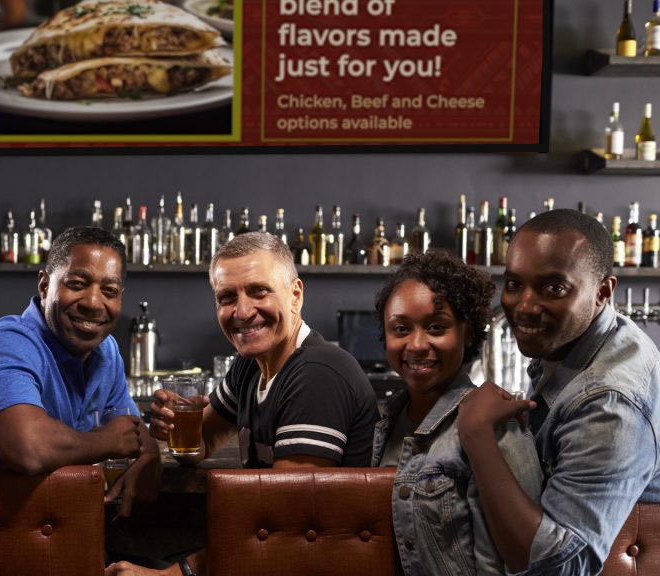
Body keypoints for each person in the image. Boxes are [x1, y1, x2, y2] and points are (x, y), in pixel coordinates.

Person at [111, 231, 379, 576]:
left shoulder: (317, 373)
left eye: (258, 291)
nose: (242, 311)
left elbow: (283, 521)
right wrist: (177, 432)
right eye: (227, 297)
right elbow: (202, 443)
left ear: (295, 295)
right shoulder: (249, 367)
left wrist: (177, 574)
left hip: (320, 562)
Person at [458, 208, 660, 575]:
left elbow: (560, 567)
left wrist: (476, 434)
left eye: (554, 288)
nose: (525, 306)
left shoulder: (610, 402)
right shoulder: (577, 342)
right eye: (515, 284)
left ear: (603, 291)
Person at [0, 226, 159, 517]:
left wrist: (150, 456)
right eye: (76, 284)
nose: (92, 302)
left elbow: (133, 431)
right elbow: (28, 449)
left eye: (109, 291)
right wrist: (108, 441)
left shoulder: (107, 350)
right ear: (44, 285)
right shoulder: (7, 341)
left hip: (66, 527)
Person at [372, 250, 542, 575]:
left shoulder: (495, 426)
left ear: (467, 332)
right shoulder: (382, 423)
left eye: (437, 327)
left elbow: (520, 562)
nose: (417, 344)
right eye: (401, 329)